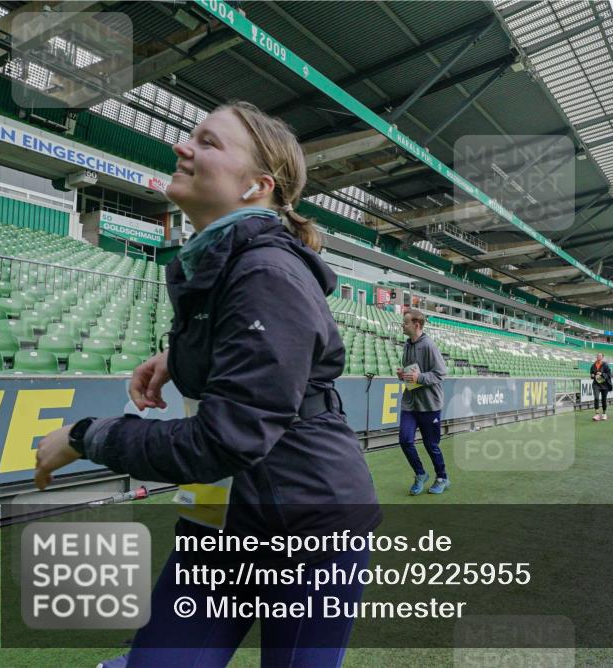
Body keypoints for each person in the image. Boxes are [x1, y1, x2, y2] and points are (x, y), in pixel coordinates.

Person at [34, 101, 381, 667]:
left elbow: (226, 440)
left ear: (256, 186)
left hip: (312, 527)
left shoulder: (267, 272)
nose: (182, 148)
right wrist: (183, 354)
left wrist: (85, 435)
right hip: (224, 523)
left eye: (209, 143)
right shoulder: (223, 261)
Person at [396, 308, 449, 495]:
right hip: (410, 403)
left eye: (405, 322)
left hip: (429, 405)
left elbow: (441, 373)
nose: (402, 325)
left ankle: (442, 477)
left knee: (431, 445)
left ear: (416, 325)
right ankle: (420, 473)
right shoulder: (407, 345)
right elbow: (411, 372)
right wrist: (404, 375)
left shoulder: (429, 346)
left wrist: (419, 378)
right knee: (405, 440)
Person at [590, 352, 613, 421]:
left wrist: (602, 374)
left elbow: (609, 374)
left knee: (604, 399)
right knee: (596, 398)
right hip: (596, 384)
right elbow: (591, 374)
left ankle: (604, 413)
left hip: (604, 385)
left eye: (600, 356)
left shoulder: (605, 365)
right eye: (597, 355)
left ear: (602, 357)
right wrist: (592, 375)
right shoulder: (593, 365)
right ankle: (597, 414)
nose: (598, 356)